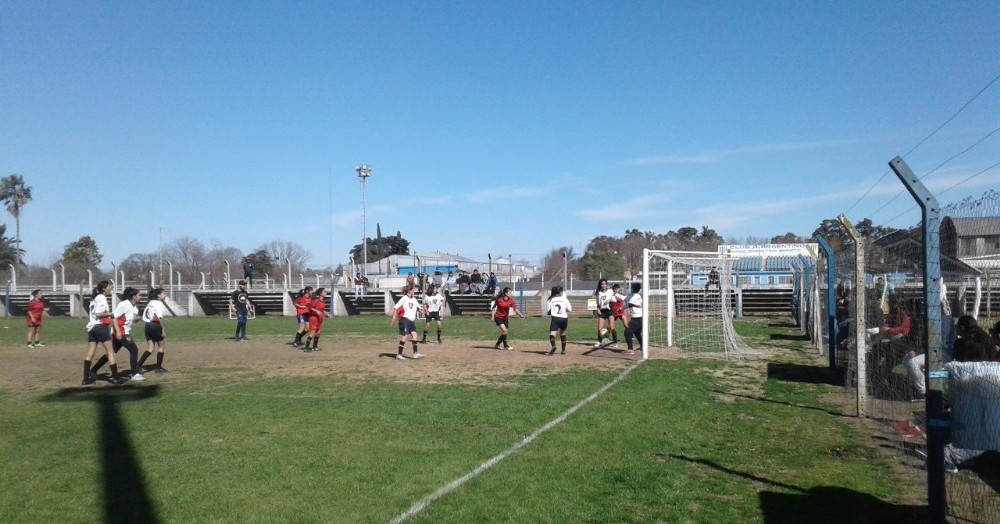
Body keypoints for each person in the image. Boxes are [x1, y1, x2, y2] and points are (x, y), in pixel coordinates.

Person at [92, 287, 145, 381]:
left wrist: (136, 319)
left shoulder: (135, 308)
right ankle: (135, 374)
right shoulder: (124, 304)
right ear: (133, 296)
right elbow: (114, 317)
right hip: (121, 332)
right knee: (134, 350)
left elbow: (128, 320)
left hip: (124, 331)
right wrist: (118, 332)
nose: (141, 297)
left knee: (111, 353)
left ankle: (93, 370)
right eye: (139, 295)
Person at [82, 280, 126, 385]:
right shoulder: (101, 298)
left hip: (92, 328)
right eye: (109, 287)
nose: (110, 289)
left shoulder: (94, 299)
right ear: (103, 289)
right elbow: (98, 314)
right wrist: (110, 313)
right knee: (110, 352)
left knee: (90, 353)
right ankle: (115, 378)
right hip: (100, 327)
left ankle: (85, 379)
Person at [138, 288, 169, 373]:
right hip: (155, 325)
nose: (165, 295)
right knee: (161, 346)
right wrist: (163, 328)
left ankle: (138, 365)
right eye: (164, 293)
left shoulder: (150, 302)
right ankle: (158, 367)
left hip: (148, 325)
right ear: (158, 295)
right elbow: (159, 317)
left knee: (150, 347)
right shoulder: (159, 303)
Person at [390, 286, 423, 360]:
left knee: (415, 335)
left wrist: (421, 310)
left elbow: (419, 307)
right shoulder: (404, 298)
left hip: (411, 321)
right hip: (404, 320)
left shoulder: (414, 299)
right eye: (413, 290)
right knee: (405, 336)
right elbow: (396, 307)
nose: (414, 291)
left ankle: (415, 353)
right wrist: (393, 318)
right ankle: (399, 355)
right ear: (409, 291)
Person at [302, 288, 332, 352]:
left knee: (318, 333)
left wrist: (327, 314)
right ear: (321, 294)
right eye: (324, 292)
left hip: (320, 318)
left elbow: (322, 310)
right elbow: (309, 306)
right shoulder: (316, 300)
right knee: (312, 332)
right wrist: (316, 311)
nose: (326, 293)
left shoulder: (323, 301)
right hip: (314, 318)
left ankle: (315, 347)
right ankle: (306, 347)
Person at [545, 285, 571, 355]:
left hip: (555, 318)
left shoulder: (550, 299)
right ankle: (563, 350)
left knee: (552, 333)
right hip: (564, 318)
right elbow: (570, 309)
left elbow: (548, 311)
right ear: (560, 292)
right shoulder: (565, 299)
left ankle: (553, 346)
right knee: (562, 333)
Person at [593, 279, 614, 348]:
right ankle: (599, 341)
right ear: (600, 285)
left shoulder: (610, 291)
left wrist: (609, 300)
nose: (603, 285)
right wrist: (598, 309)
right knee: (600, 328)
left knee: (611, 326)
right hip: (602, 311)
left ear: (607, 285)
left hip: (610, 310)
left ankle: (611, 339)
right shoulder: (598, 293)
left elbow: (614, 299)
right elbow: (597, 303)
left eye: (604, 284)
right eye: (602, 284)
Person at [624, 282, 644, 355]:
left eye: (632, 287)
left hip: (638, 318)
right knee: (637, 333)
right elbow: (626, 302)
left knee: (627, 333)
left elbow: (629, 303)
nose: (631, 288)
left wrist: (617, 295)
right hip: (635, 318)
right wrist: (621, 309)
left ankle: (630, 349)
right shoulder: (630, 295)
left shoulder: (637, 296)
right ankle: (643, 346)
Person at [609, 283, 629, 349]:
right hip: (614, 313)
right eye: (615, 289)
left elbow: (625, 302)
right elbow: (610, 303)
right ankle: (610, 338)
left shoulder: (621, 295)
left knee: (626, 325)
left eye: (618, 289)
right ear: (613, 289)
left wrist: (625, 311)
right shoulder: (612, 296)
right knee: (610, 326)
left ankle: (630, 336)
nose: (617, 290)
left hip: (621, 312)